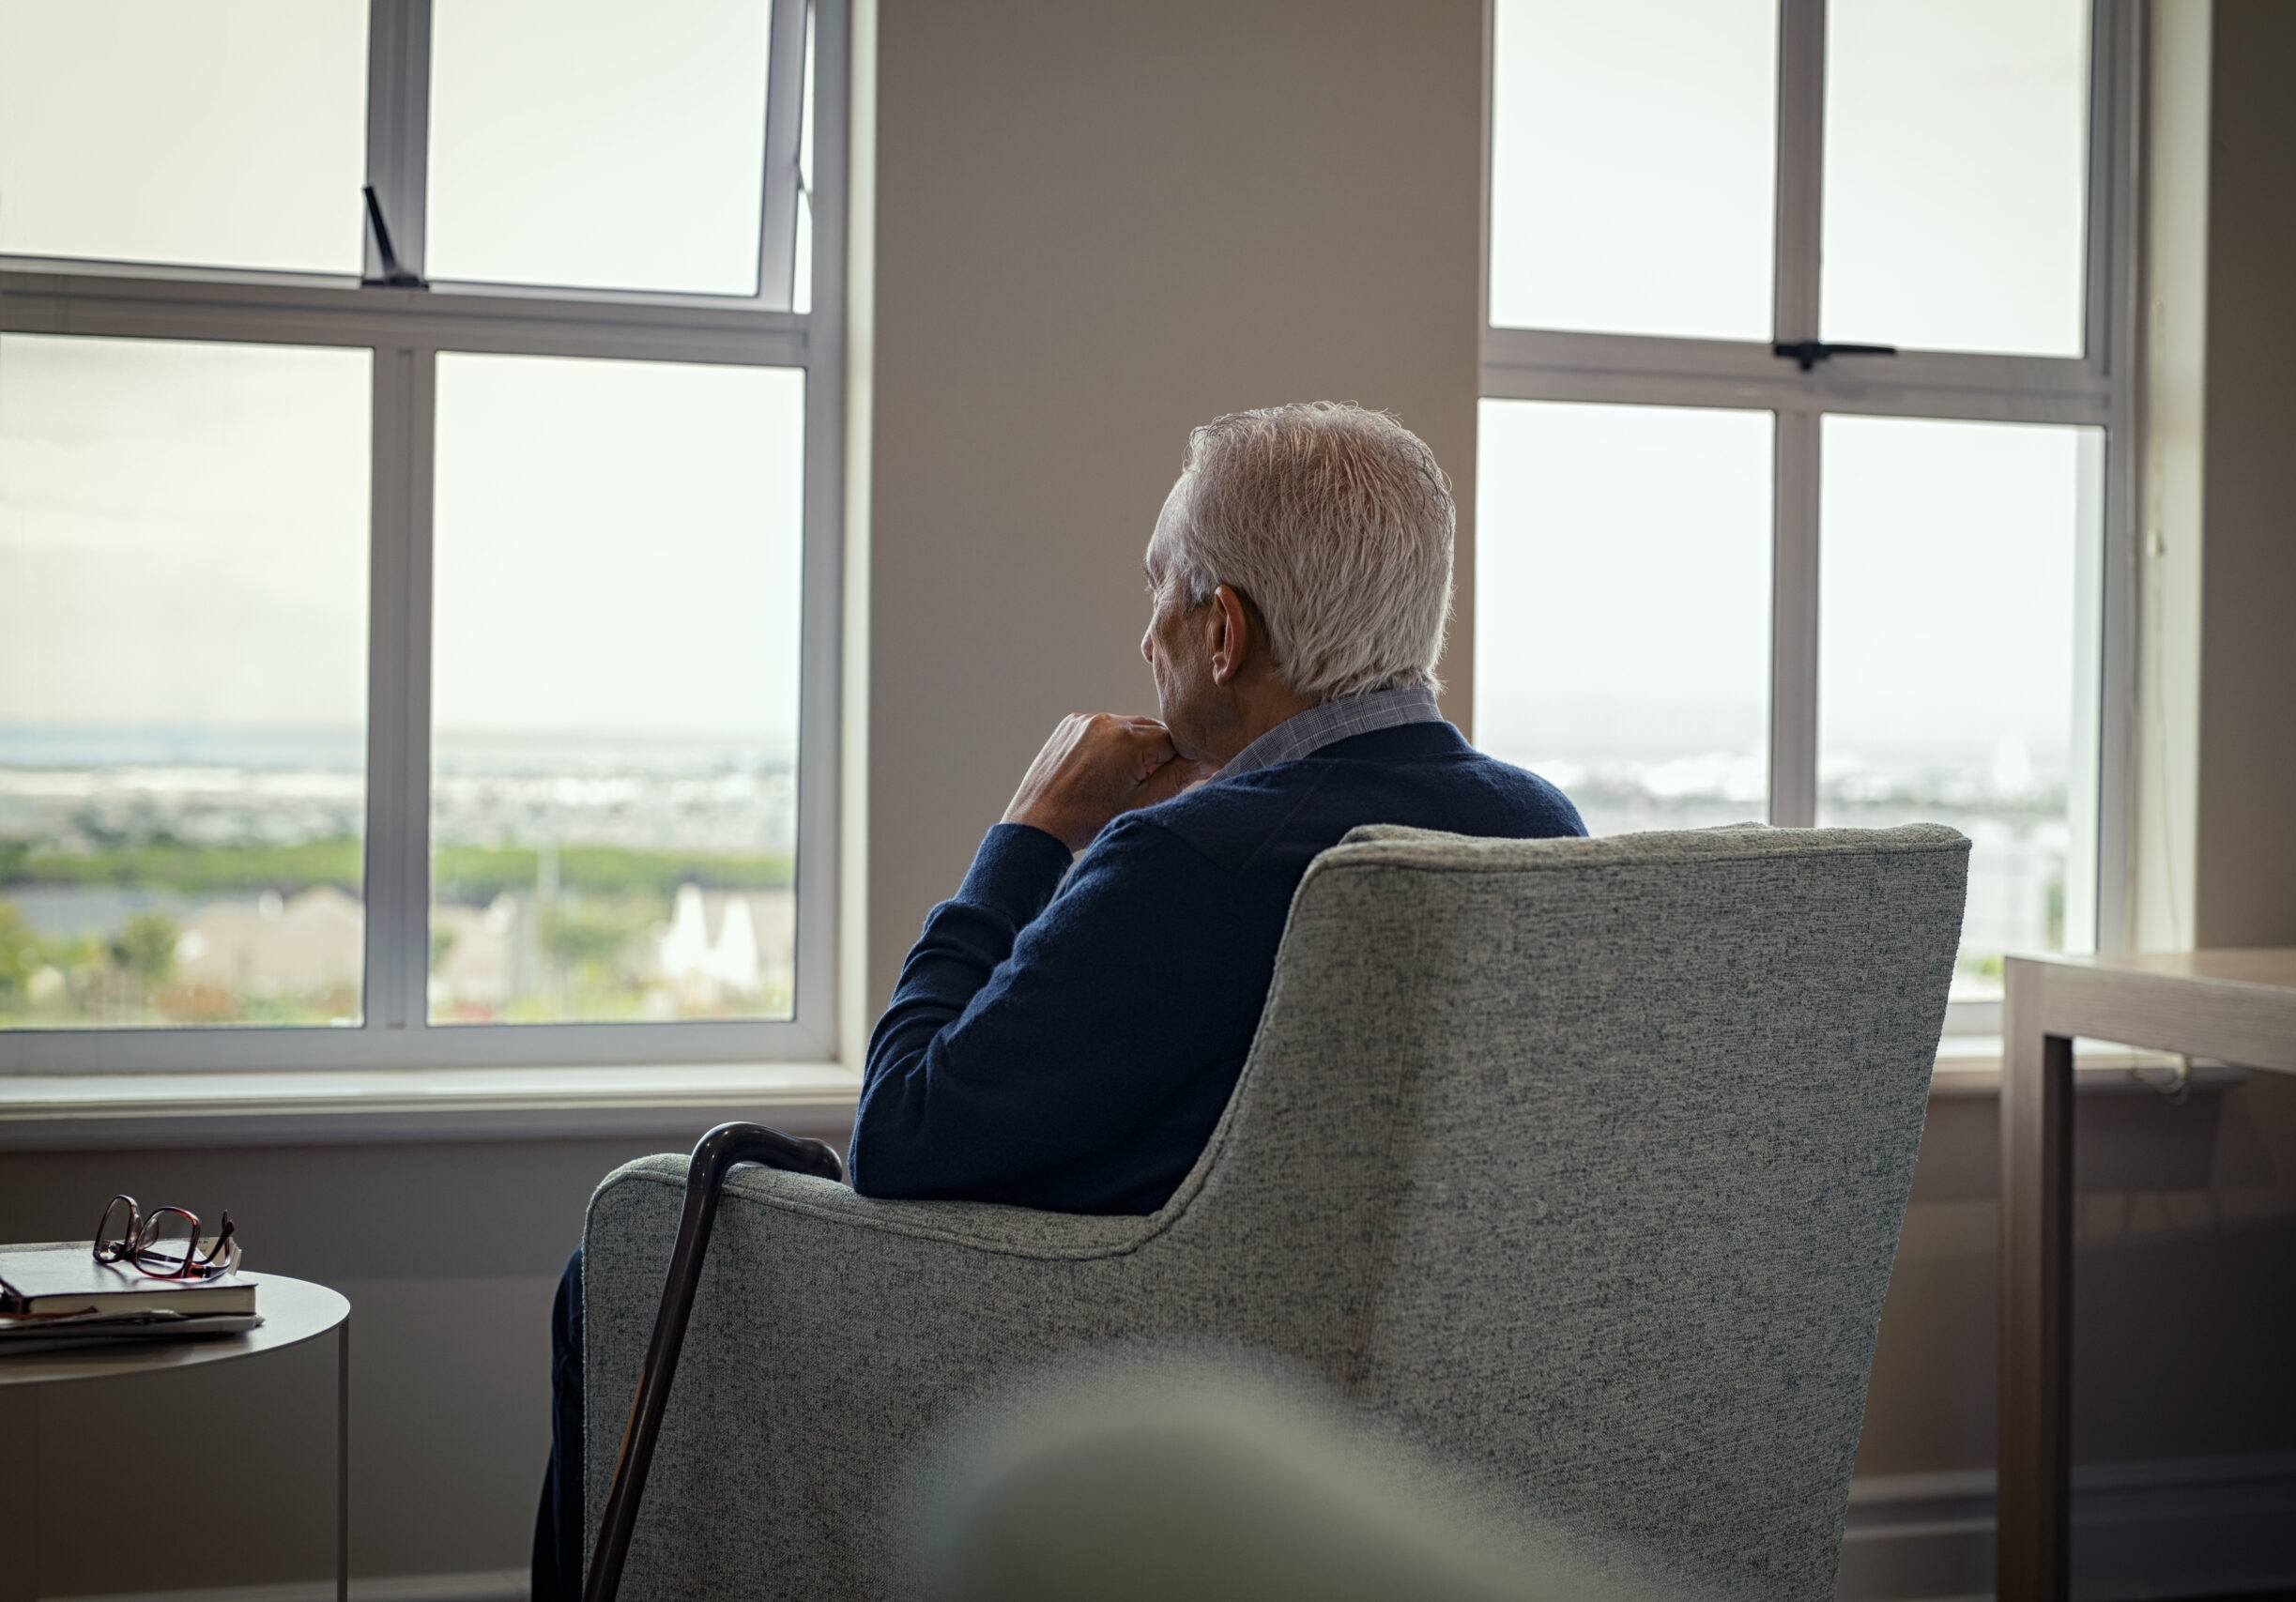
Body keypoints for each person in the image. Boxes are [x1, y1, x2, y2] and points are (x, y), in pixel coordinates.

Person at [531, 402, 1584, 1599]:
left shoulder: (1196, 859)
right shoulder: (1541, 828)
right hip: (1397, 1390)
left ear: (1224, 630)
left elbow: (903, 1138)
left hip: (1127, 1356)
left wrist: (1030, 833)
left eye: (1160, 595)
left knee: (629, 1248)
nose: (1147, 635)